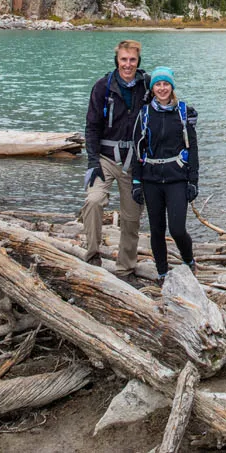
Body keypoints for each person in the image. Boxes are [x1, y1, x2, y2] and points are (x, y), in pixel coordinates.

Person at [81, 39, 151, 275]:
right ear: (117, 60)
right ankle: (92, 256)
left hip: (135, 163)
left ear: (138, 61)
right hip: (106, 159)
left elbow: (165, 106)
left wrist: (185, 114)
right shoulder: (103, 87)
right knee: (93, 201)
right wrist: (92, 162)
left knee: (131, 218)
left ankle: (125, 268)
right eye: (123, 59)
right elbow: (91, 127)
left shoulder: (148, 86)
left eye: (132, 60)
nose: (128, 65)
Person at [131, 66, 199, 281]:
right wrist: (136, 182)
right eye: (158, 84)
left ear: (172, 86)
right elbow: (137, 149)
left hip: (176, 178)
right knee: (157, 230)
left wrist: (193, 181)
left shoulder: (183, 112)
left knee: (177, 229)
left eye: (166, 84)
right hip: (151, 179)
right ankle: (162, 272)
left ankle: (188, 261)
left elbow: (193, 148)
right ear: (152, 88)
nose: (162, 88)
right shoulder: (144, 114)